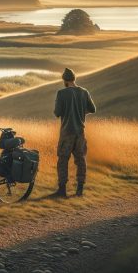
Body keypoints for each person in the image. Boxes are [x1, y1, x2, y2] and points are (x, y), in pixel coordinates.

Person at [52, 67, 96, 198]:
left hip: (67, 132)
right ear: (74, 79)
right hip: (80, 132)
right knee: (81, 160)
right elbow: (93, 109)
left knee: (62, 161)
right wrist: (81, 112)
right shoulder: (84, 92)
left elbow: (57, 113)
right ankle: (79, 190)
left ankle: (62, 190)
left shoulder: (61, 93)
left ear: (65, 80)